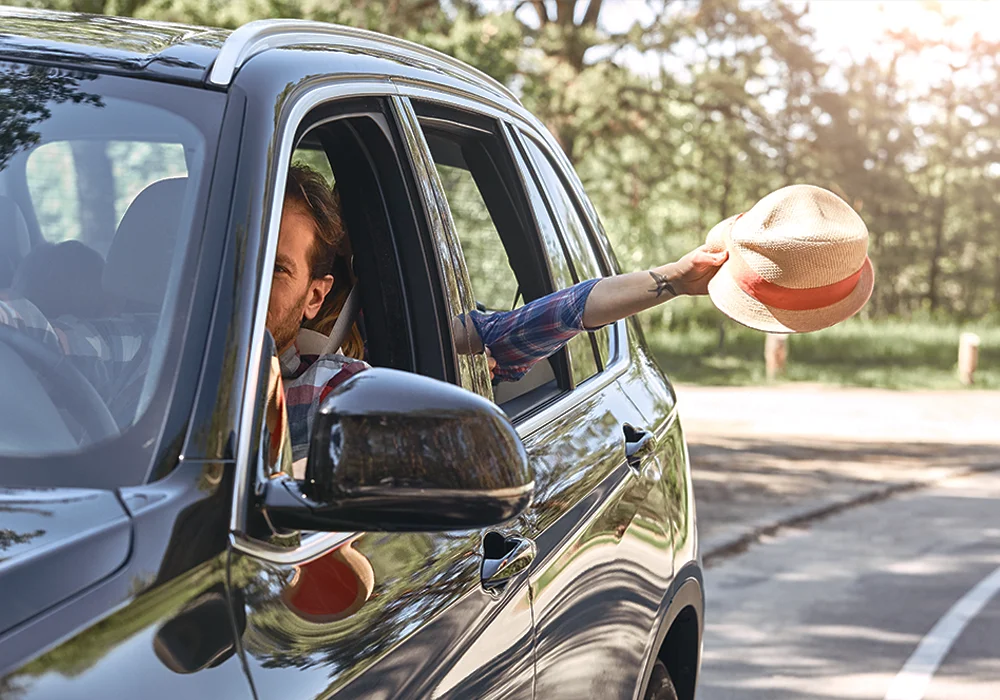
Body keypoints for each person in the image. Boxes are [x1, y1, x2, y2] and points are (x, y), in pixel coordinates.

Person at [271, 165, 727, 462]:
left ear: (319, 285)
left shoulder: (383, 343)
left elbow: (556, 314)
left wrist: (671, 280)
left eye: (276, 268)